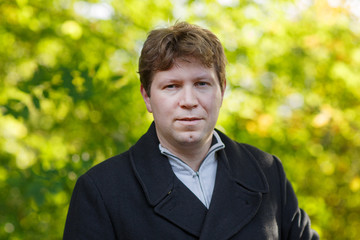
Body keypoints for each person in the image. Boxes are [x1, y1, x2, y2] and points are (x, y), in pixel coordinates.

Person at [63, 22, 319, 239]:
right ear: (147, 97)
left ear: (222, 90)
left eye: (201, 83)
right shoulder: (101, 190)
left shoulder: (266, 172)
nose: (188, 100)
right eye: (171, 86)